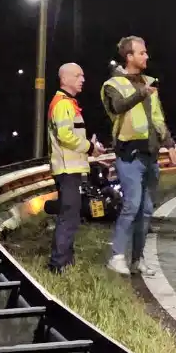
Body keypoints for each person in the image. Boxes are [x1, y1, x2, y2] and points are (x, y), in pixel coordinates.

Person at [100, 36, 176, 277]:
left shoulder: (149, 83)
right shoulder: (112, 84)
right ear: (129, 56)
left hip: (150, 154)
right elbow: (117, 107)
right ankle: (116, 256)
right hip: (129, 154)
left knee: (145, 209)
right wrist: (141, 94)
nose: (147, 56)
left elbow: (157, 118)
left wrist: (170, 146)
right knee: (131, 205)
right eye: (142, 53)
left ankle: (138, 259)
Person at [47, 63, 104, 273]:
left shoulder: (68, 103)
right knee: (68, 216)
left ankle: (66, 261)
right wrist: (90, 147)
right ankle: (59, 265)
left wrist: (90, 145)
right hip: (66, 169)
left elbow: (71, 135)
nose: (83, 79)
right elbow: (64, 136)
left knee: (70, 215)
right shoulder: (63, 104)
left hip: (71, 168)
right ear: (65, 79)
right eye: (78, 75)